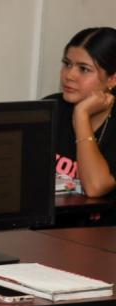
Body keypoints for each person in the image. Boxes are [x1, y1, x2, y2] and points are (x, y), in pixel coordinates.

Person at [47, 27, 116, 197]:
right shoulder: (49, 109)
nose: (69, 75)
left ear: (112, 79)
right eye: (67, 64)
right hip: (48, 222)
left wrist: (81, 116)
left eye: (84, 69)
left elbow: (96, 187)